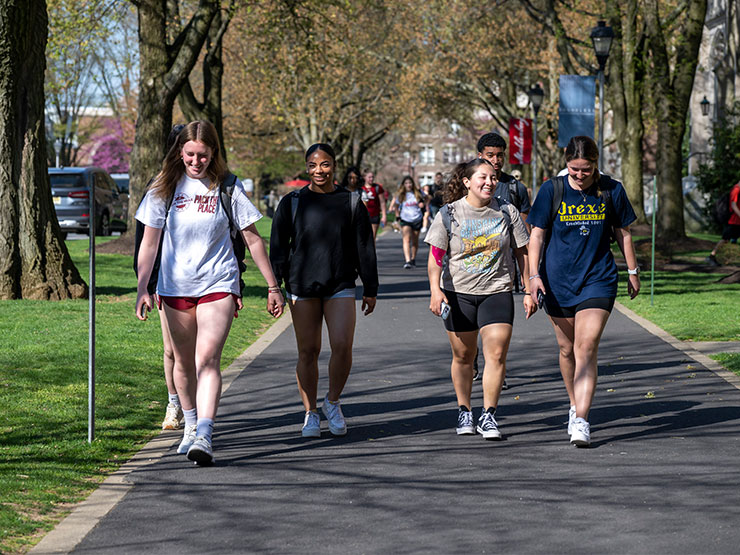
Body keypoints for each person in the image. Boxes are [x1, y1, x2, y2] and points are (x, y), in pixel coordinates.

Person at [135, 120, 284, 465]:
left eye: (203, 155)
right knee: (183, 363)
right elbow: (149, 242)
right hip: (174, 287)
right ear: (179, 152)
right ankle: (189, 423)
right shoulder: (164, 187)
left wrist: (273, 286)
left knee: (207, 359)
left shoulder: (228, 187)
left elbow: (253, 238)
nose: (196, 162)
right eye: (189, 154)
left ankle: (204, 431)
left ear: (214, 153)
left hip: (218, 283)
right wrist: (143, 287)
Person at [527, 136, 640, 448]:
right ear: (566, 163)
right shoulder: (553, 189)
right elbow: (536, 236)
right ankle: (574, 404)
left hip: (598, 278)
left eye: (586, 170)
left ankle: (581, 420)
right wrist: (533, 276)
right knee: (567, 350)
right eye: (574, 169)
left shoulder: (611, 189)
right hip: (556, 281)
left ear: (595, 164)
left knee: (585, 346)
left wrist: (632, 271)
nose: (579, 175)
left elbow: (623, 232)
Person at [270, 143, 378, 438]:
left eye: (325, 164)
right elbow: (278, 248)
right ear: (307, 168)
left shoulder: (352, 201)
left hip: (340, 282)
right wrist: (274, 288)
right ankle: (310, 413)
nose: (320, 170)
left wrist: (371, 287)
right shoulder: (292, 202)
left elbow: (364, 247)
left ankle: (332, 402)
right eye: (314, 165)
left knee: (342, 345)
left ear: (334, 165)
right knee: (308, 350)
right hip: (301, 284)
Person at [425, 158, 536, 440]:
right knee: (464, 356)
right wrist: (436, 290)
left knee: (496, 354)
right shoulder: (449, 213)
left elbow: (522, 251)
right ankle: (465, 410)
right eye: (482, 178)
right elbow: (436, 257)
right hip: (458, 293)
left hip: (497, 291)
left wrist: (527, 286)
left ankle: (488, 415)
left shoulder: (506, 211)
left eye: (493, 178)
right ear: (467, 182)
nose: (489, 182)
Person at [475, 132, 533, 384]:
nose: (496, 160)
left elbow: (526, 232)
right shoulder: (465, 182)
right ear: (480, 156)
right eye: (490, 155)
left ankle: (496, 367)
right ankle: (475, 363)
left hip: (502, 268)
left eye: (500, 155)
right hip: (469, 266)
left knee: (497, 324)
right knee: (473, 324)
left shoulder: (515, 187)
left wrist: (528, 275)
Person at [389, 175, 425, 269]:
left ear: (412, 184)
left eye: (410, 183)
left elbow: (427, 198)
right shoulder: (401, 194)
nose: (408, 185)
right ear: (403, 185)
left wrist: (424, 204)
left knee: (415, 241)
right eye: (406, 183)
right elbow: (396, 206)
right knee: (406, 239)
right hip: (405, 219)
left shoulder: (417, 193)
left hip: (417, 219)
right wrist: (397, 216)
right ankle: (408, 261)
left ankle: (413, 259)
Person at [707, 181, 740, 266]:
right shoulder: (736, 190)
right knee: (725, 239)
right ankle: (711, 256)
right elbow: (733, 205)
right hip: (733, 221)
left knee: (727, 240)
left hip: (737, 221)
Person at [360, 170, 387, 238]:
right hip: (362, 216)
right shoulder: (360, 188)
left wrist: (384, 216)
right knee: (362, 238)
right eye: (369, 177)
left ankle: (372, 249)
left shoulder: (377, 188)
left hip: (374, 215)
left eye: (372, 177)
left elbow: (382, 202)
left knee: (372, 238)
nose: (371, 179)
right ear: (364, 177)